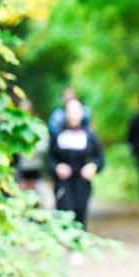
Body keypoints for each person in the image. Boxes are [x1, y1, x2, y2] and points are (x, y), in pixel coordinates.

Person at [47, 97, 104, 228]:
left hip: (82, 184)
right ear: (65, 113)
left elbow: (100, 159)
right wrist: (57, 168)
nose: (73, 114)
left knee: (80, 217)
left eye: (76, 111)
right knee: (64, 216)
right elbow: (49, 161)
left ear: (82, 113)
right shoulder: (58, 135)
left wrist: (93, 166)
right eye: (70, 111)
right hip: (63, 183)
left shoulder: (89, 135)